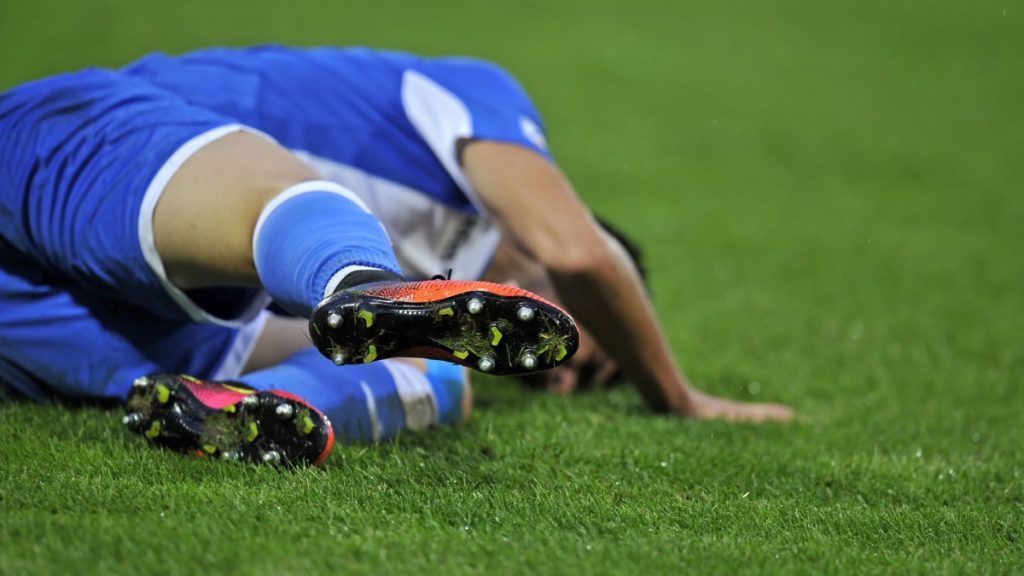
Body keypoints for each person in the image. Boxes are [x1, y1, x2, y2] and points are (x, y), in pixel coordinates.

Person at [0, 46, 792, 466]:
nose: (561, 373)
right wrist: (679, 398)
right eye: (594, 348)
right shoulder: (481, 98)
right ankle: (362, 285)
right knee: (327, 236)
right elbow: (577, 254)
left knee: (440, 373)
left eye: (574, 382)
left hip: (101, 318)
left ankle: (251, 409)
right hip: (86, 155)